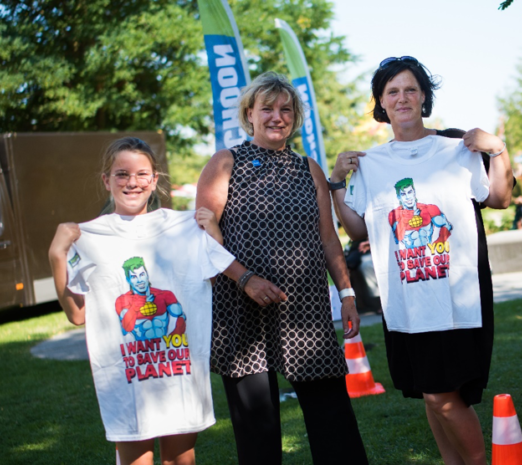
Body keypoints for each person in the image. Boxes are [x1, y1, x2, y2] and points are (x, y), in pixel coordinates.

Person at [329, 56, 512, 465]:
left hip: (457, 295)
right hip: (406, 302)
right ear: (381, 102)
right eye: (392, 91)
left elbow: (500, 198)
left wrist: (498, 150)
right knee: (431, 394)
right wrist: (337, 181)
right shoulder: (372, 164)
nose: (402, 98)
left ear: (424, 96)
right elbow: (357, 231)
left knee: (441, 394)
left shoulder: (457, 148)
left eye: (410, 89)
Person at [196, 72, 368, 465]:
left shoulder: (309, 168)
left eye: (286, 109)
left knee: (333, 420)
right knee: (258, 430)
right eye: (267, 108)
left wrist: (346, 294)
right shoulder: (225, 162)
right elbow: (202, 237)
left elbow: (329, 239)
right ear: (249, 114)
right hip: (242, 309)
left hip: (306, 311)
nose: (277, 116)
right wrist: (246, 279)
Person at [48, 137, 235, 465]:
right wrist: (56, 255)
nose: (132, 182)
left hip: (179, 375)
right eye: (121, 174)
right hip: (127, 383)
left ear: (154, 180)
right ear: (106, 180)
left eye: (141, 174)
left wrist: (214, 237)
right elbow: (78, 316)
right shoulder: (90, 238)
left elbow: (208, 282)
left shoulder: (183, 227)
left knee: (180, 461)